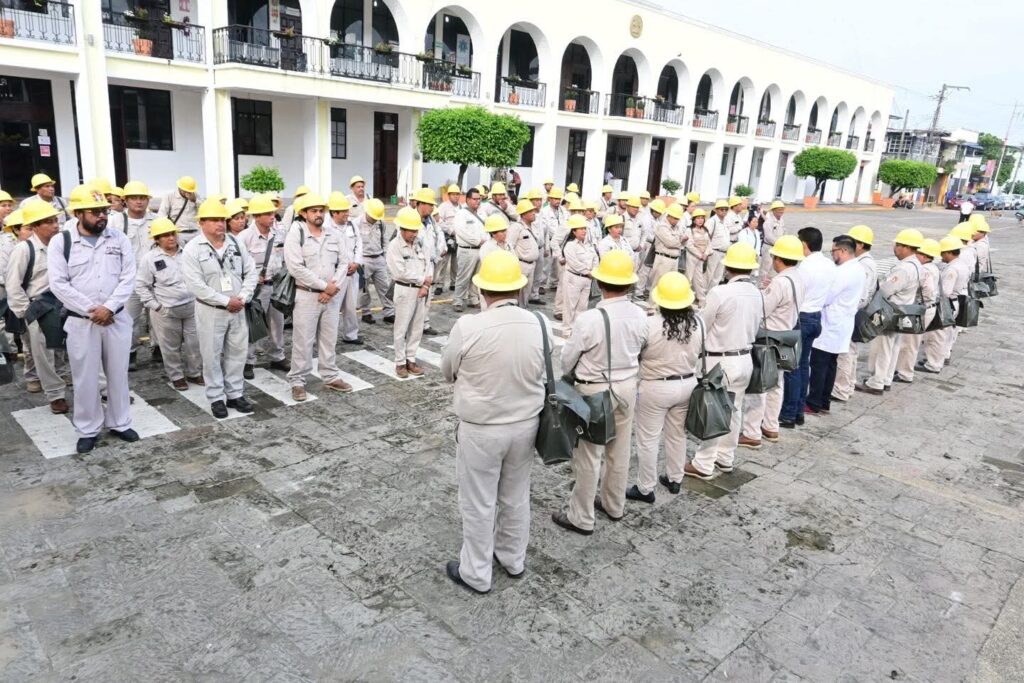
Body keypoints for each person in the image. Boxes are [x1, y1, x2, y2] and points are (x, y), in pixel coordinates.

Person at [441, 251, 546, 593]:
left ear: (482, 289)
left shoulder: (468, 326)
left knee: (478, 501)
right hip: (526, 424)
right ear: (518, 288)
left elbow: (448, 371)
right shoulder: (539, 323)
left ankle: (476, 572)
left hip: (482, 428)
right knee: (516, 495)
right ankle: (513, 558)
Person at [552, 250, 646, 534]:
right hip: (627, 387)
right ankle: (614, 504)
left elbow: (567, 360)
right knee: (620, 450)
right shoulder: (640, 314)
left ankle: (581, 517)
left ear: (600, 282)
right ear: (629, 283)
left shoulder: (590, 319)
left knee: (589, 455)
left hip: (594, 390)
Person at [49, 189, 139, 453]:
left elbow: (128, 277)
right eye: (95, 212)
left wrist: (109, 308)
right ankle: (87, 429)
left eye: (104, 211)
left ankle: (120, 422)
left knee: (118, 374)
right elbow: (58, 284)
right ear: (78, 213)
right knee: (85, 378)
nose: (102, 216)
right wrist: (92, 310)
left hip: (115, 318)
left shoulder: (118, 238)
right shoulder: (61, 242)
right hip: (82, 321)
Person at [681, 243, 761, 481]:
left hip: (721, 360)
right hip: (745, 357)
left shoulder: (720, 292)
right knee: (734, 410)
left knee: (713, 411)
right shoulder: (756, 292)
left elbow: (702, 324)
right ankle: (726, 457)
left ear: (728, 267)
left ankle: (704, 462)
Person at [627, 272, 702, 502]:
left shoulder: (649, 324)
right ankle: (674, 478)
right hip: (687, 383)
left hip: (655, 386)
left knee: (648, 439)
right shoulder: (697, 323)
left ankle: (645, 487)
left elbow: (636, 353)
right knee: (677, 434)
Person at [181, 198, 259, 418]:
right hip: (211, 309)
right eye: (214, 220)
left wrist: (242, 297)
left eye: (222, 220)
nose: (219, 224)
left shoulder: (236, 243)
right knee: (211, 354)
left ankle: (235, 393)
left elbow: (251, 272)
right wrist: (225, 301)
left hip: (238, 307)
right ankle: (216, 397)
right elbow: (195, 285)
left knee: (237, 352)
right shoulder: (193, 249)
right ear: (202, 223)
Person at [284, 193, 353, 400]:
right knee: (303, 340)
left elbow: (344, 262)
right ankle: (297, 380)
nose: (318, 214)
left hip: (331, 295)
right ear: (304, 213)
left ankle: (330, 375)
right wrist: (324, 286)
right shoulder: (296, 233)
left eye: (321, 210)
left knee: (329, 338)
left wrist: (333, 286)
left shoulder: (333, 234)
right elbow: (295, 267)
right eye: (313, 211)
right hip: (307, 295)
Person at [738, 236, 804, 449]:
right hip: (785, 335)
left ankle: (751, 432)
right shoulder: (797, 278)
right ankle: (771, 425)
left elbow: (762, 309)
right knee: (776, 384)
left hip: (769, 336)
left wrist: (760, 293)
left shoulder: (780, 282)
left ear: (778, 259)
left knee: (759, 384)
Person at [4, 200, 69, 413]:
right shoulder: (24, 250)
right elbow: (13, 285)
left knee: (62, 348)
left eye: (55, 220)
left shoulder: (62, 244)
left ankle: (62, 376)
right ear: (35, 226)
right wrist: (27, 313)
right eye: (48, 222)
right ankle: (55, 394)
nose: (55, 225)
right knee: (43, 354)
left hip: (64, 302)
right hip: (39, 306)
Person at [135, 218, 202, 391]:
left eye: (173, 234)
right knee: (170, 346)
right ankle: (176, 376)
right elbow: (141, 286)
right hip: (166, 310)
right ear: (157, 239)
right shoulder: (149, 259)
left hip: (191, 306)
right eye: (165, 235)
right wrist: (156, 306)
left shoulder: (188, 253)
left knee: (194, 343)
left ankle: (194, 372)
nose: (171, 238)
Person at [856, 229, 924, 396]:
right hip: (903, 311)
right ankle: (885, 379)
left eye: (898, 245)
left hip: (890, 311)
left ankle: (876, 382)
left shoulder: (904, 269)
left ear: (907, 247)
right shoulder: (917, 265)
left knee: (882, 347)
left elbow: (886, 290)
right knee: (893, 347)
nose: (895, 248)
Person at [779, 228, 835, 428]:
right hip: (816, 316)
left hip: (802, 317)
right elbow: (830, 295)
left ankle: (789, 413)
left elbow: (794, 294)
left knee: (792, 368)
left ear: (804, 244)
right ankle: (799, 410)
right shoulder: (829, 264)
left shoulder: (804, 268)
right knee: (803, 365)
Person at [805, 235, 864, 415]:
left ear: (844, 250)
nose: (832, 255)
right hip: (841, 322)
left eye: (834, 251)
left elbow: (828, 296)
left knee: (819, 364)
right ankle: (824, 402)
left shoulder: (844, 272)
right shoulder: (857, 268)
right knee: (830, 364)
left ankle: (814, 402)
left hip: (832, 322)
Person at [106, 180, 159, 370]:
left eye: (142, 198)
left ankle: (158, 349)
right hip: (130, 280)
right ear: (125, 200)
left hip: (156, 279)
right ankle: (130, 353)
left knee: (158, 317)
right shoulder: (115, 222)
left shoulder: (157, 220)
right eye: (134, 198)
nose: (139, 201)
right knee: (129, 319)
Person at [238, 195, 289, 376]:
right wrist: (250, 278)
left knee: (277, 323)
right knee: (254, 324)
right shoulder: (245, 237)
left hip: (277, 285)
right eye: (267, 214)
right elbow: (237, 265)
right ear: (256, 216)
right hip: (257, 289)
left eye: (273, 213)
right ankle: (248, 360)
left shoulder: (279, 233)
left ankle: (278, 356)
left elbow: (285, 257)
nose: (272, 216)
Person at [830, 225, 876, 403]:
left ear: (860, 245)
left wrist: (847, 307)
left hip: (852, 312)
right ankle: (848, 385)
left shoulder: (863, 265)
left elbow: (862, 296)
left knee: (845, 353)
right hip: (852, 311)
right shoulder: (863, 263)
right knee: (850, 351)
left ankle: (841, 388)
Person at [387, 207, 431, 379]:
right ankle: (400, 362)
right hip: (404, 289)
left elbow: (428, 264)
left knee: (417, 327)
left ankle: (411, 359)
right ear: (402, 229)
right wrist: (422, 280)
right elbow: (399, 272)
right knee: (401, 328)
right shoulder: (394, 246)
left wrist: (425, 286)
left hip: (421, 290)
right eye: (411, 231)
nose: (414, 234)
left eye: (416, 230)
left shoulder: (420, 243)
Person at [918, 236, 969, 374]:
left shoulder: (952, 269)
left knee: (937, 336)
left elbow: (945, 291)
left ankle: (934, 363)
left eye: (943, 253)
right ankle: (937, 359)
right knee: (943, 335)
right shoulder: (961, 264)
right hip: (955, 301)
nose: (941, 256)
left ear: (948, 252)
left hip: (947, 303)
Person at [893, 238, 940, 383]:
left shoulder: (926, 269)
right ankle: (903, 369)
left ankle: (905, 373)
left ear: (925, 256)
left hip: (921, 309)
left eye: (918, 253)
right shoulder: (931, 267)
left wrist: (918, 300)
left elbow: (929, 291)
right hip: (926, 308)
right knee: (910, 342)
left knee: (909, 344)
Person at [328, 192, 365, 346]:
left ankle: (351, 335)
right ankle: (329, 338)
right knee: (333, 307)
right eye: (343, 211)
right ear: (334, 213)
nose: (347, 213)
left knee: (351, 306)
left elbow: (359, 245)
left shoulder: (352, 225)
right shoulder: (326, 227)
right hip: (336, 275)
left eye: (347, 210)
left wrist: (356, 262)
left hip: (352, 273)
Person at [356, 197, 395, 325]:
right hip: (364, 260)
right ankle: (366, 313)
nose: (374, 219)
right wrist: (358, 261)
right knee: (364, 289)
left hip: (379, 258)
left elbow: (385, 240)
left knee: (385, 287)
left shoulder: (381, 223)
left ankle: (389, 313)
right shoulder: (356, 223)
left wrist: (384, 257)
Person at [560, 215, 597, 328]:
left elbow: (595, 258)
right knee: (570, 306)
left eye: (585, 228)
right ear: (574, 231)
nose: (584, 231)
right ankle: (567, 329)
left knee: (582, 307)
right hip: (574, 278)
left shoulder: (588, 245)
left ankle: (577, 329)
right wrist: (588, 272)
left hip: (587, 279)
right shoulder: (570, 245)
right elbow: (574, 263)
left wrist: (594, 270)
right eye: (581, 229)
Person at [452, 187, 485, 312]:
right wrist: (477, 241)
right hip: (467, 250)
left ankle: (473, 299)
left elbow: (486, 230)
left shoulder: (482, 213)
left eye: (479, 199)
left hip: (480, 250)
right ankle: (458, 301)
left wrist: (485, 241)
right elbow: (461, 232)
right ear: (467, 199)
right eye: (475, 199)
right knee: (463, 277)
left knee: (477, 277)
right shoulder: (461, 214)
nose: (477, 201)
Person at [507, 199, 541, 306]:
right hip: (521, 264)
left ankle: (523, 309)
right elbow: (509, 246)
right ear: (523, 214)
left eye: (533, 211)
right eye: (530, 211)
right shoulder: (516, 227)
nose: (534, 213)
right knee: (518, 292)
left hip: (532, 264)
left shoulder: (533, 227)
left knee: (526, 292)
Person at [539, 187, 567, 300]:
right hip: (549, 239)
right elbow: (545, 229)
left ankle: (554, 283)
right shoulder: (544, 211)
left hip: (561, 240)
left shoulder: (563, 211)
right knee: (546, 264)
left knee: (557, 263)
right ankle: (541, 284)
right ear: (550, 199)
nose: (557, 201)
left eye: (559, 199)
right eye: (555, 199)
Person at [435, 184, 461, 294]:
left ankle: (453, 283)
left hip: (458, 239)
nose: (455, 196)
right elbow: (439, 221)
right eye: (453, 194)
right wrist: (450, 230)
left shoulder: (461, 207)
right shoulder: (443, 207)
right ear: (449, 195)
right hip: (446, 238)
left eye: (457, 194)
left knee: (456, 263)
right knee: (443, 262)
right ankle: (440, 285)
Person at [684, 208, 713, 306]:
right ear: (693, 219)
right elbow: (689, 245)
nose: (700, 220)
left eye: (702, 218)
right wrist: (699, 255)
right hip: (692, 257)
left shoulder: (705, 230)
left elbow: (709, 244)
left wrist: (706, 254)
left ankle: (701, 299)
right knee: (688, 277)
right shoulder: (689, 230)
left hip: (702, 258)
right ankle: (684, 298)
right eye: (698, 218)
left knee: (699, 279)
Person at [157, 176, 201, 240]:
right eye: (185, 190)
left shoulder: (195, 195)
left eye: (189, 191)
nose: (187, 192)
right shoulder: (170, 196)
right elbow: (162, 215)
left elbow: (203, 211)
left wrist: (195, 200)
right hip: (178, 233)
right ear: (179, 188)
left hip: (195, 232)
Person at [705, 200, 731, 286]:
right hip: (714, 252)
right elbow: (706, 237)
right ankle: (703, 292)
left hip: (724, 252)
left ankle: (712, 291)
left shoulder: (726, 221)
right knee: (709, 275)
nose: (724, 211)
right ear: (716, 210)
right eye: (721, 209)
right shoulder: (712, 221)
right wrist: (707, 252)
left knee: (718, 276)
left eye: (726, 209)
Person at [759, 201, 786, 278]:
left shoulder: (781, 220)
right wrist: (780, 243)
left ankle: (771, 284)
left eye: (782, 209)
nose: (781, 211)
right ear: (773, 210)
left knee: (775, 269)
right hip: (769, 247)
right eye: (779, 209)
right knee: (766, 269)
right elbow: (768, 237)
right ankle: (762, 284)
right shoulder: (768, 222)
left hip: (778, 248)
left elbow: (784, 232)